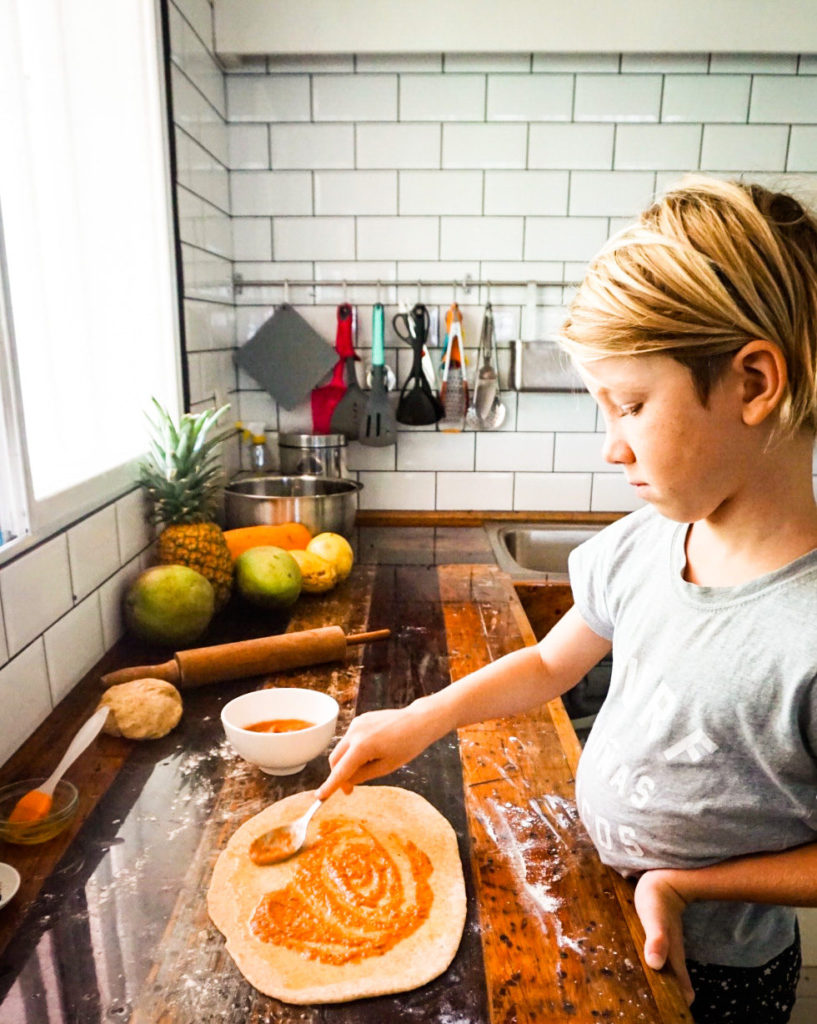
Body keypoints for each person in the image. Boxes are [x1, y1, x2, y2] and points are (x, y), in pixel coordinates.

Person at [317, 176, 817, 1024]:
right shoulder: (645, 543)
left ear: (753, 382)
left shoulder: (801, 632)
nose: (609, 445)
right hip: (600, 897)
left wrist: (684, 885)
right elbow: (552, 662)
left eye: (629, 404)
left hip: (718, 971)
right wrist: (422, 718)